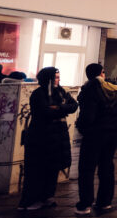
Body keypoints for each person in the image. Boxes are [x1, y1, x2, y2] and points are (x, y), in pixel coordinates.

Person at [18, 67, 78, 210]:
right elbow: (45, 111)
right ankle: (32, 199)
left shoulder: (61, 91)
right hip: (41, 136)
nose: (58, 79)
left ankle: (47, 196)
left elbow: (73, 105)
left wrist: (57, 108)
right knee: (38, 168)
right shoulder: (39, 94)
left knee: (52, 167)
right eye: (56, 77)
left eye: (58, 76)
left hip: (57, 136)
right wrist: (62, 109)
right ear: (48, 79)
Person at [75, 63, 117, 215]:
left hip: (93, 134)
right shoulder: (116, 88)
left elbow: (88, 116)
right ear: (102, 73)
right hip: (111, 134)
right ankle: (105, 202)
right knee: (107, 167)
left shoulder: (88, 89)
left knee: (86, 169)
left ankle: (85, 204)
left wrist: (82, 127)